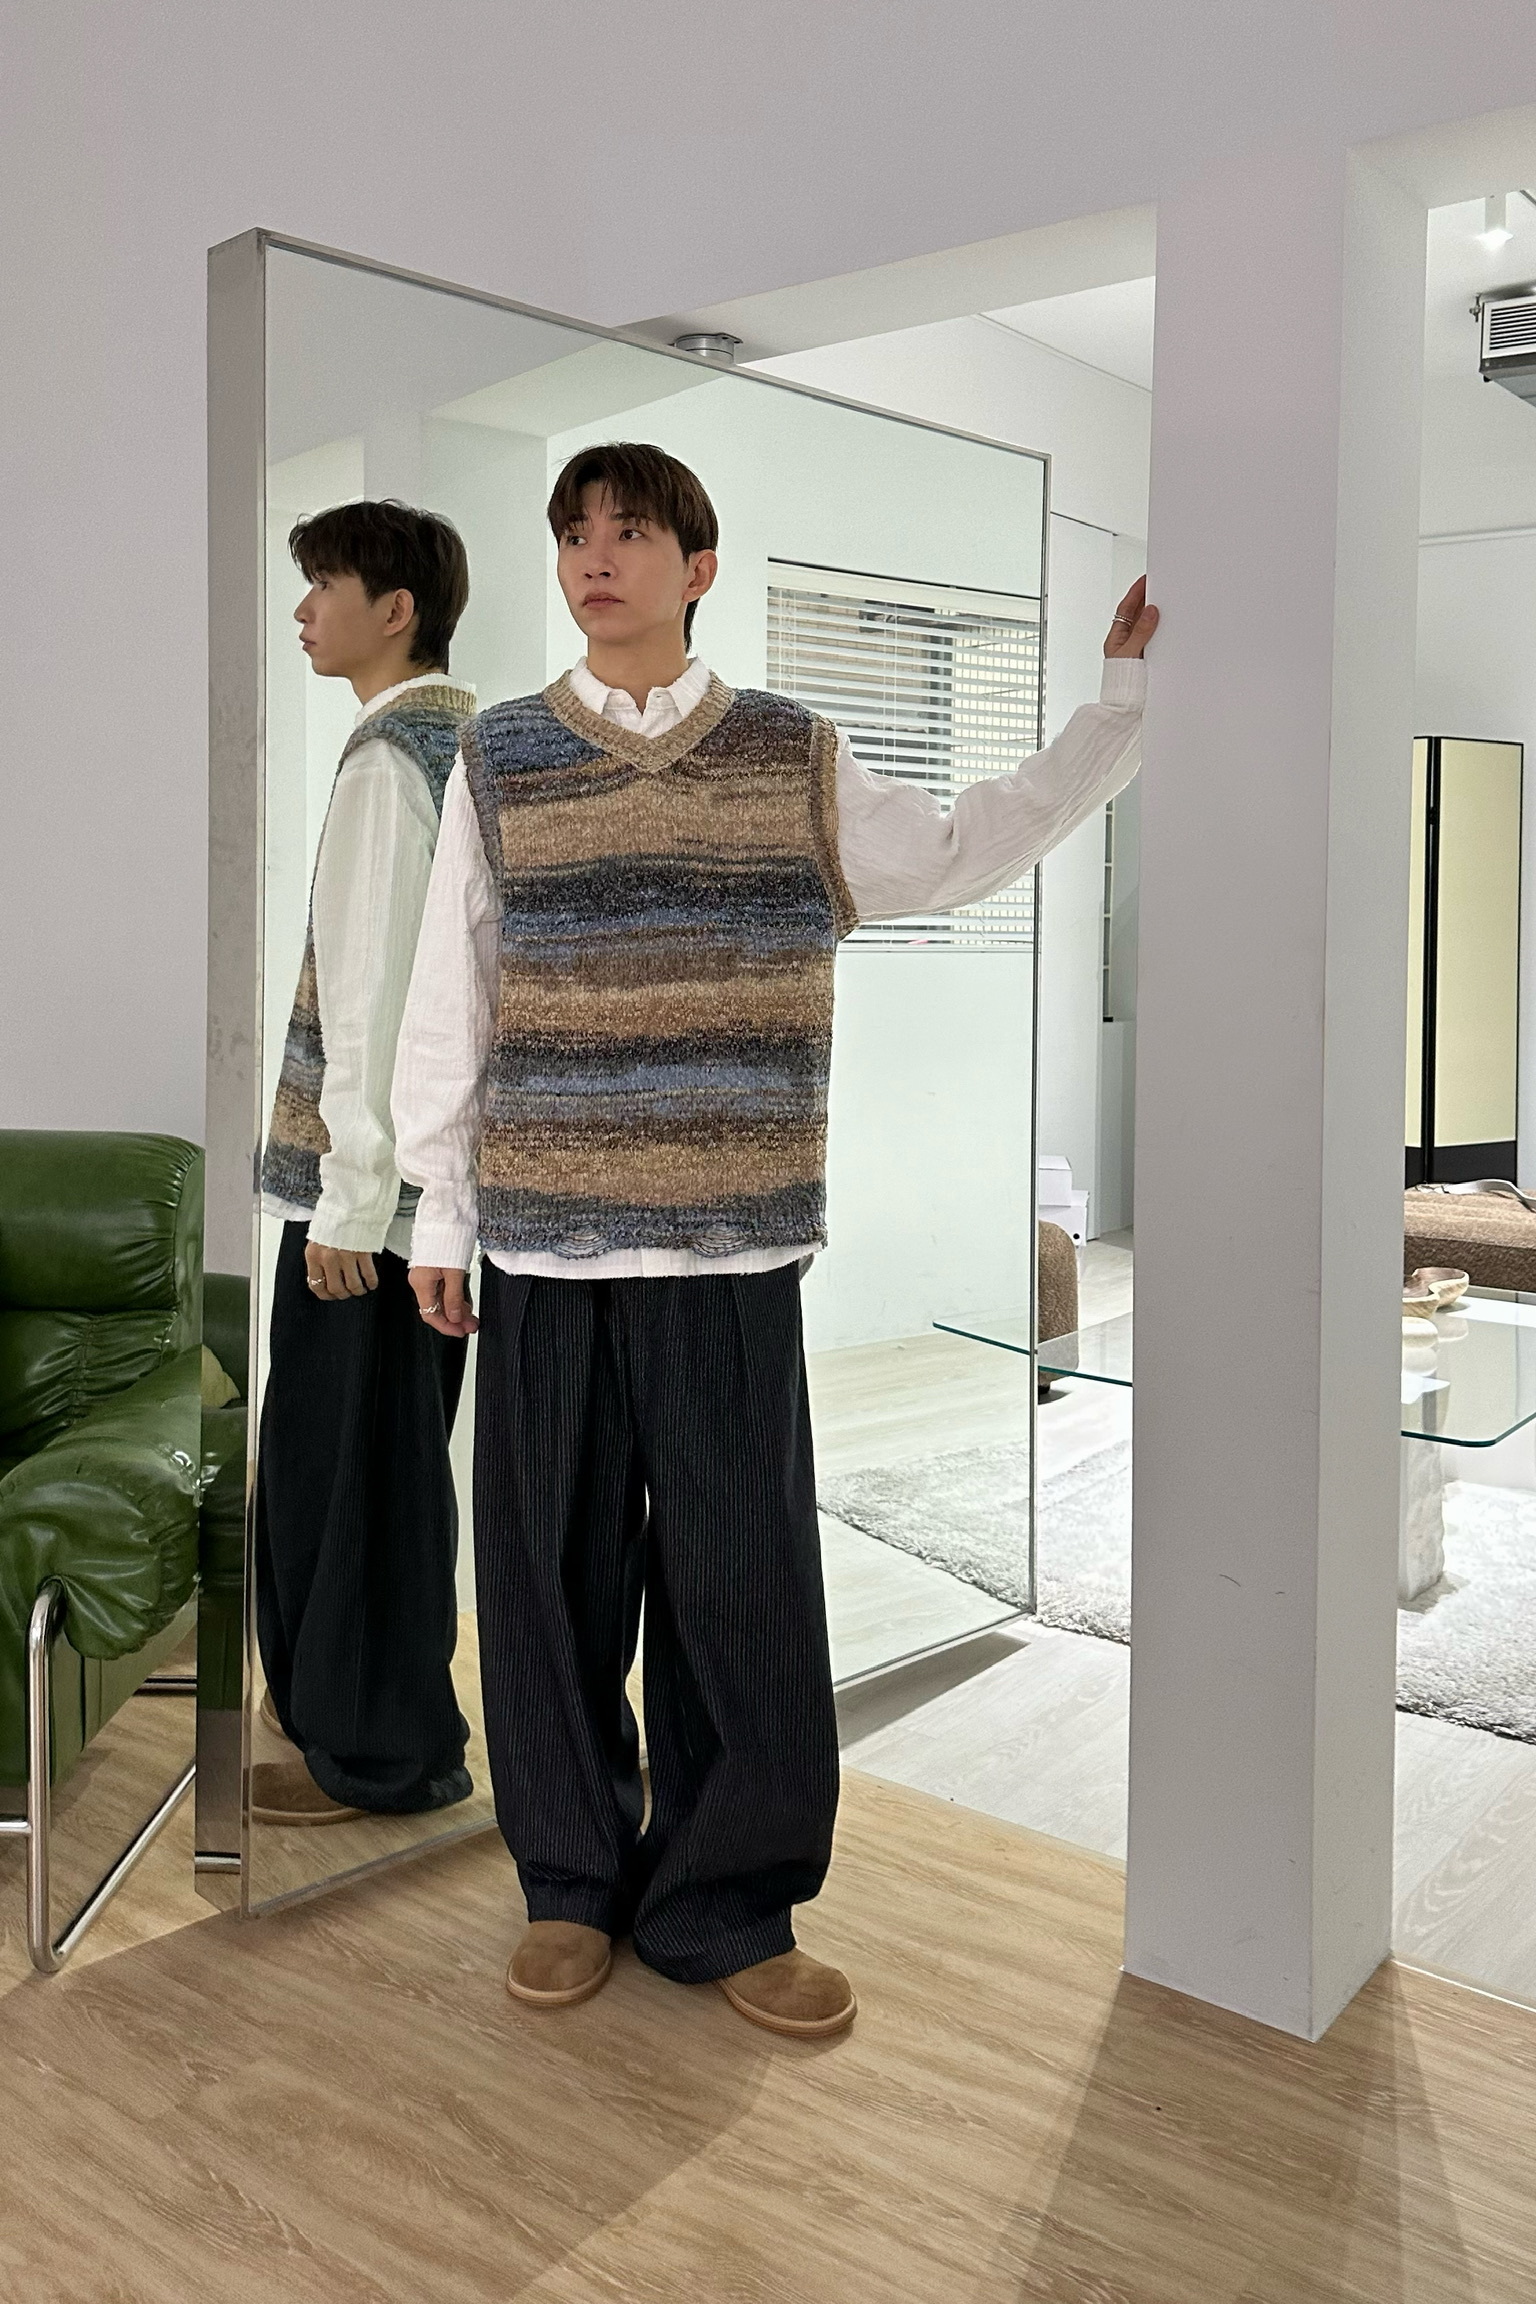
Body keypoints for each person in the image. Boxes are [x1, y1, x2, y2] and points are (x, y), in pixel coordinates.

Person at [393, 442, 1156, 2032]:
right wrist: (437, 1212)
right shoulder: (503, 756)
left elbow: (959, 846)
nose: (596, 558)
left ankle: (728, 1904)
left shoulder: (792, 753)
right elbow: (451, 993)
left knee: (740, 1588)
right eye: (574, 534)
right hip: (544, 1248)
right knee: (544, 1589)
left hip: (730, 1251)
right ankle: (569, 1882)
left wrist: (1115, 719)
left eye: (630, 533)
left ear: (698, 568)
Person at [255, 499, 477, 1825]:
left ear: (395, 611)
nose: (303, 610)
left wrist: (351, 1202)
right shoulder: (468, 740)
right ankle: (367, 1731)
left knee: (347, 1481)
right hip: (422, 1203)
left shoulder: (392, 762)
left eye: (323, 586)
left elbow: (376, 996)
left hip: (374, 1210)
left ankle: (379, 1757)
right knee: (383, 1472)